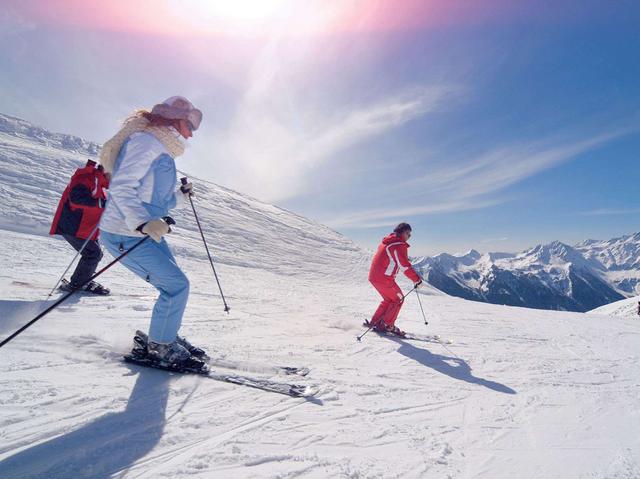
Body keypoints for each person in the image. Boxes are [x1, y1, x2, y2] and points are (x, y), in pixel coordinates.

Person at [98, 96, 205, 370]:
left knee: (173, 284)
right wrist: (142, 222)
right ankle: (160, 346)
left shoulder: (161, 149)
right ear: (174, 119)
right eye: (190, 124)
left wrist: (180, 196)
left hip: (142, 232)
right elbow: (122, 187)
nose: (192, 132)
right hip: (125, 232)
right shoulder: (146, 143)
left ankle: (164, 335)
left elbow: (158, 201)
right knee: (176, 285)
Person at [50, 159, 111, 295]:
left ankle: (82, 280)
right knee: (92, 254)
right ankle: (79, 283)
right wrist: (102, 203)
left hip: (83, 228)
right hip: (73, 226)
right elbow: (76, 198)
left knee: (94, 253)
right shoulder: (87, 177)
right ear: (107, 170)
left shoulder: (99, 184)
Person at [368, 222, 423, 336]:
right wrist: (417, 279)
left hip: (374, 277)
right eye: (408, 233)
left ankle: (375, 322)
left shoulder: (387, 242)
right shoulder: (398, 245)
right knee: (399, 299)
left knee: (389, 300)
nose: (409, 236)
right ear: (401, 232)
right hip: (384, 279)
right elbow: (404, 266)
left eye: (410, 234)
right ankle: (388, 325)